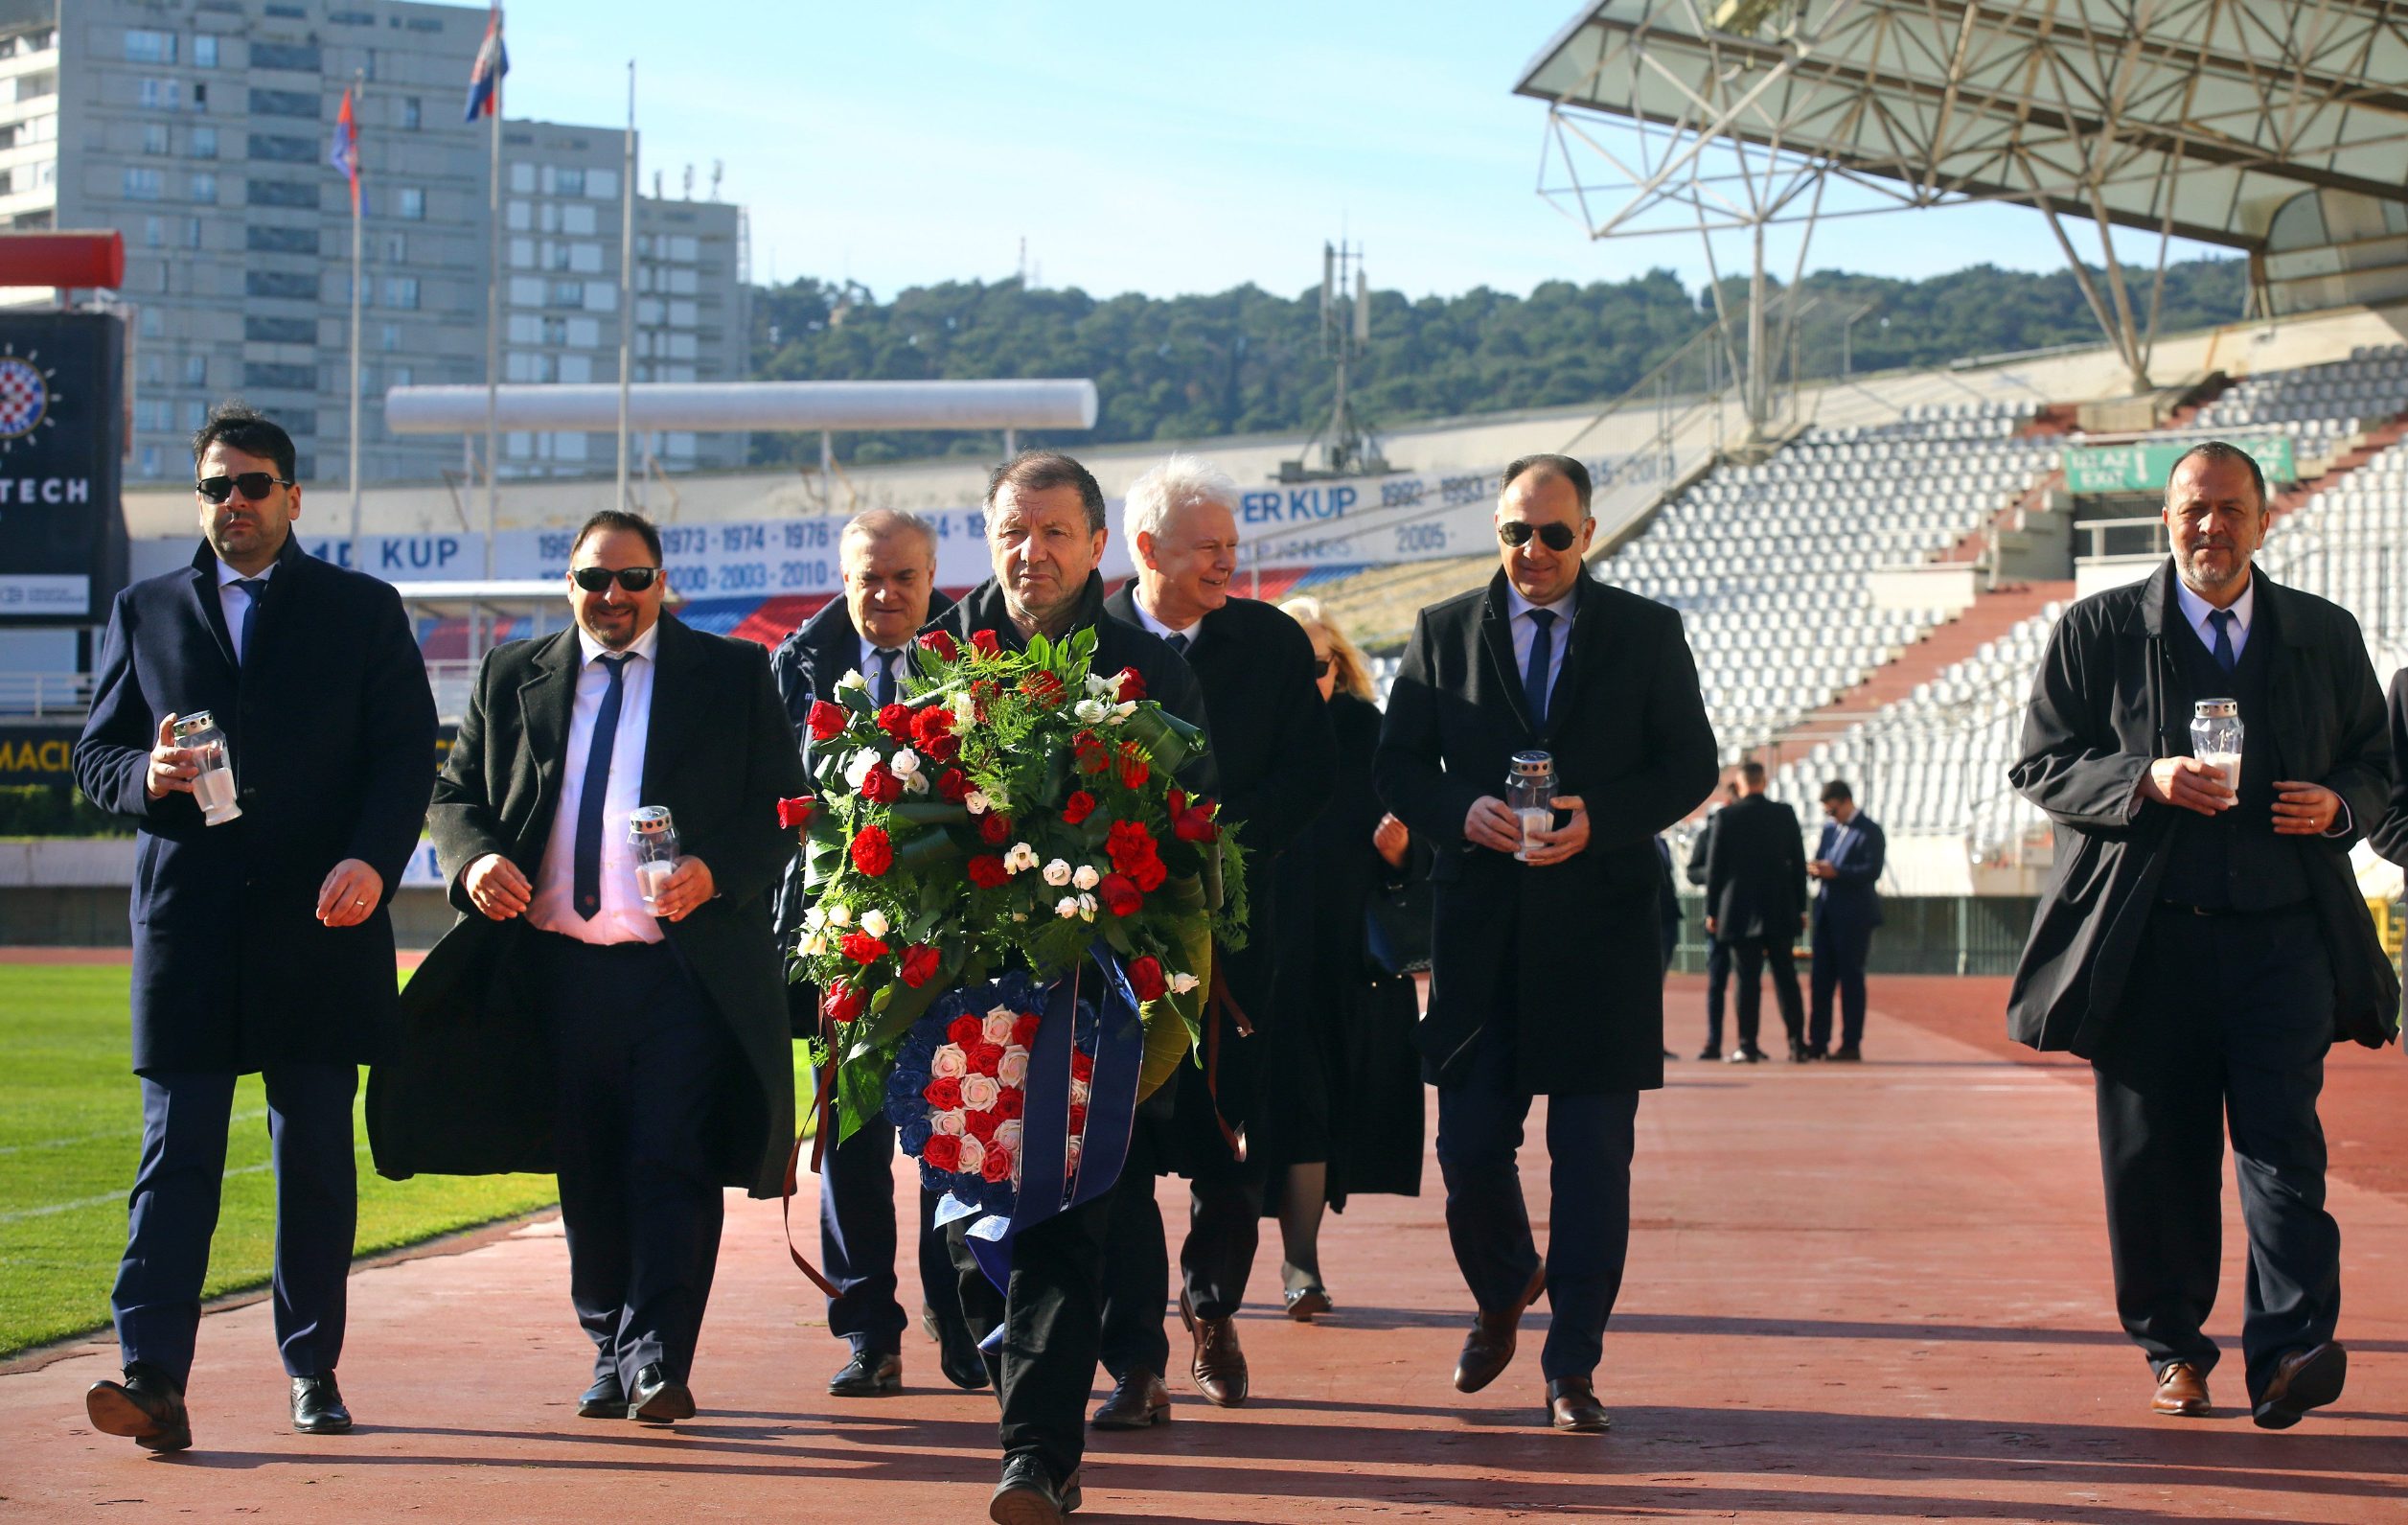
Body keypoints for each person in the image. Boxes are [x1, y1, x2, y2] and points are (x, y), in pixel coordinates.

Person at [368, 509, 808, 1427]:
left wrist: (713, 869)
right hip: (556, 970)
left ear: (662, 582)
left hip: (681, 973)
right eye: (593, 580)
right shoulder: (510, 672)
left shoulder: (728, 673)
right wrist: (474, 859)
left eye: (633, 579)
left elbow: (781, 809)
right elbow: (453, 796)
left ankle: (656, 1359)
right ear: (568, 584)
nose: (613, 597)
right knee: (590, 1164)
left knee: (670, 1157)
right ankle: (610, 1344)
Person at [71, 404, 437, 1453]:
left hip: (322, 923)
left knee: (314, 1155)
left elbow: (404, 755)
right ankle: (152, 1377)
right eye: (215, 487)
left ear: (292, 495)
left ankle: (311, 1366)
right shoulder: (144, 609)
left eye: (252, 484)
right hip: (188, 928)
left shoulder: (362, 610)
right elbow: (97, 756)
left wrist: (373, 858)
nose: (232, 502)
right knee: (173, 1153)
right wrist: (141, 774)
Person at [2007, 441, 2395, 1430]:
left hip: (2283, 941)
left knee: (2282, 1151)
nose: (2209, 528)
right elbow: (2042, 765)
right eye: (2191, 510)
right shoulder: (2097, 628)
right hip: (2147, 944)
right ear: (2165, 521)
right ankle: (2173, 1350)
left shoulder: (2321, 631)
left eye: (2228, 509)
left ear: (2264, 521)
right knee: (2153, 1160)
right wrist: (2142, 778)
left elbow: (2375, 765)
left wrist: (2338, 804)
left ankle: (2290, 1349)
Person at [1374, 452, 1717, 1434]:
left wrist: (1595, 818)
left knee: (1591, 1159)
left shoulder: (1648, 633)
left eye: (1552, 533)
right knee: (1469, 1147)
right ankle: (1503, 1284)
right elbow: (1396, 763)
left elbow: (1688, 762)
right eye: (1514, 532)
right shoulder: (1442, 631)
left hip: (1602, 934)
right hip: (1478, 936)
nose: (1531, 551)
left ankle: (1572, 1364)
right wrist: (1459, 808)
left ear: (1587, 534)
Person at [928, 451, 1214, 1524]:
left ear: (1098, 545)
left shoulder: (1150, 671)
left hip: (1091, 1009)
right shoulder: (941, 656)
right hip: (956, 1008)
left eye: (1053, 532)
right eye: (1012, 529)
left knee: (1061, 1226)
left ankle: (1036, 1458)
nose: (1029, 552)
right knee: (967, 1242)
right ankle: (1030, 1427)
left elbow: (1196, 828)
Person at [1095, 456, 1336, 1423]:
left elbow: (1308, 778)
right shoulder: (1086, 638)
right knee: (1107, 1156)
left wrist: (1217, 846)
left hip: (1236, 943)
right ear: (1146, 549)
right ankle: (1133, 1358)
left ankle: (1210, 1311)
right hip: (1106, 941)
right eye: (1207, 549)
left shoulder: (1272, 644)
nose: (1225, 565)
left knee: (1227, 1154)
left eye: (1233, 548)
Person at [767, 509, 981, 1396]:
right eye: (868, 578)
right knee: (850, 1141)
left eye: (904, 578)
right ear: (844, 576)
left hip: (949, 944)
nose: (885, 595)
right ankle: (867, 1332)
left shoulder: (972, 663)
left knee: (950, 1131)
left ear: (933, 580)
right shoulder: (795, 666)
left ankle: (958, 1312)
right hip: (838, 947)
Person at [1257, 596, 1426, 1323]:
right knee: (1288, 1108)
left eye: (1320, 662)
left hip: (1351, 963)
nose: (1309, 676)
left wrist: (1402, 854)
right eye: (1290, 664)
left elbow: (1420, 858)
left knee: (1328, 1110)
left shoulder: (1370, 734)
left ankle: (1300, 1260)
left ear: (1341, 666)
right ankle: (1297, 1264)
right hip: (1265, 958)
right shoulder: (1246, 733)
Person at [1704, 761, 1809, 1062]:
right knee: (1786, 978)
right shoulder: (1784, 814)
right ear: (1763, 781)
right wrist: (1800, 907)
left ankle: (1747, 1045)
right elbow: (1798, 865)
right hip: (1779, 907)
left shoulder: (1726, 816)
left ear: (1741, 783)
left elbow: (1715, 870)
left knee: (1746, 980)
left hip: (1738, 910)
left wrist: (1712, 910)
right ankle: (1797, 1045)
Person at [1805, 779, 1885, 1061]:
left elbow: (1871, 870)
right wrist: (1816, 868)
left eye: (1832, 810)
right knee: (1820, 981)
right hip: (1826, 914)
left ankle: (1851, 1043)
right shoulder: (1829, 830)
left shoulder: (1870, 830)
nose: (1830, 815)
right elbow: (1821, 859)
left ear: (1846, 801)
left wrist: (1837, 872)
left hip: (1854, 917)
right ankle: (1817, 1042)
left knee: (1851, 981)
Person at [1686, 780, 1740, 1059]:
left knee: (1745, 980)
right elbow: (1693, 871)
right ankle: (1714, 1041)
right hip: (1716, 915)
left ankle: (1746, 1042)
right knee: (1717, 981)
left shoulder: (1749, 833)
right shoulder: (1708, 834)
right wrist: (1716, 873)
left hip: (1743, 915)